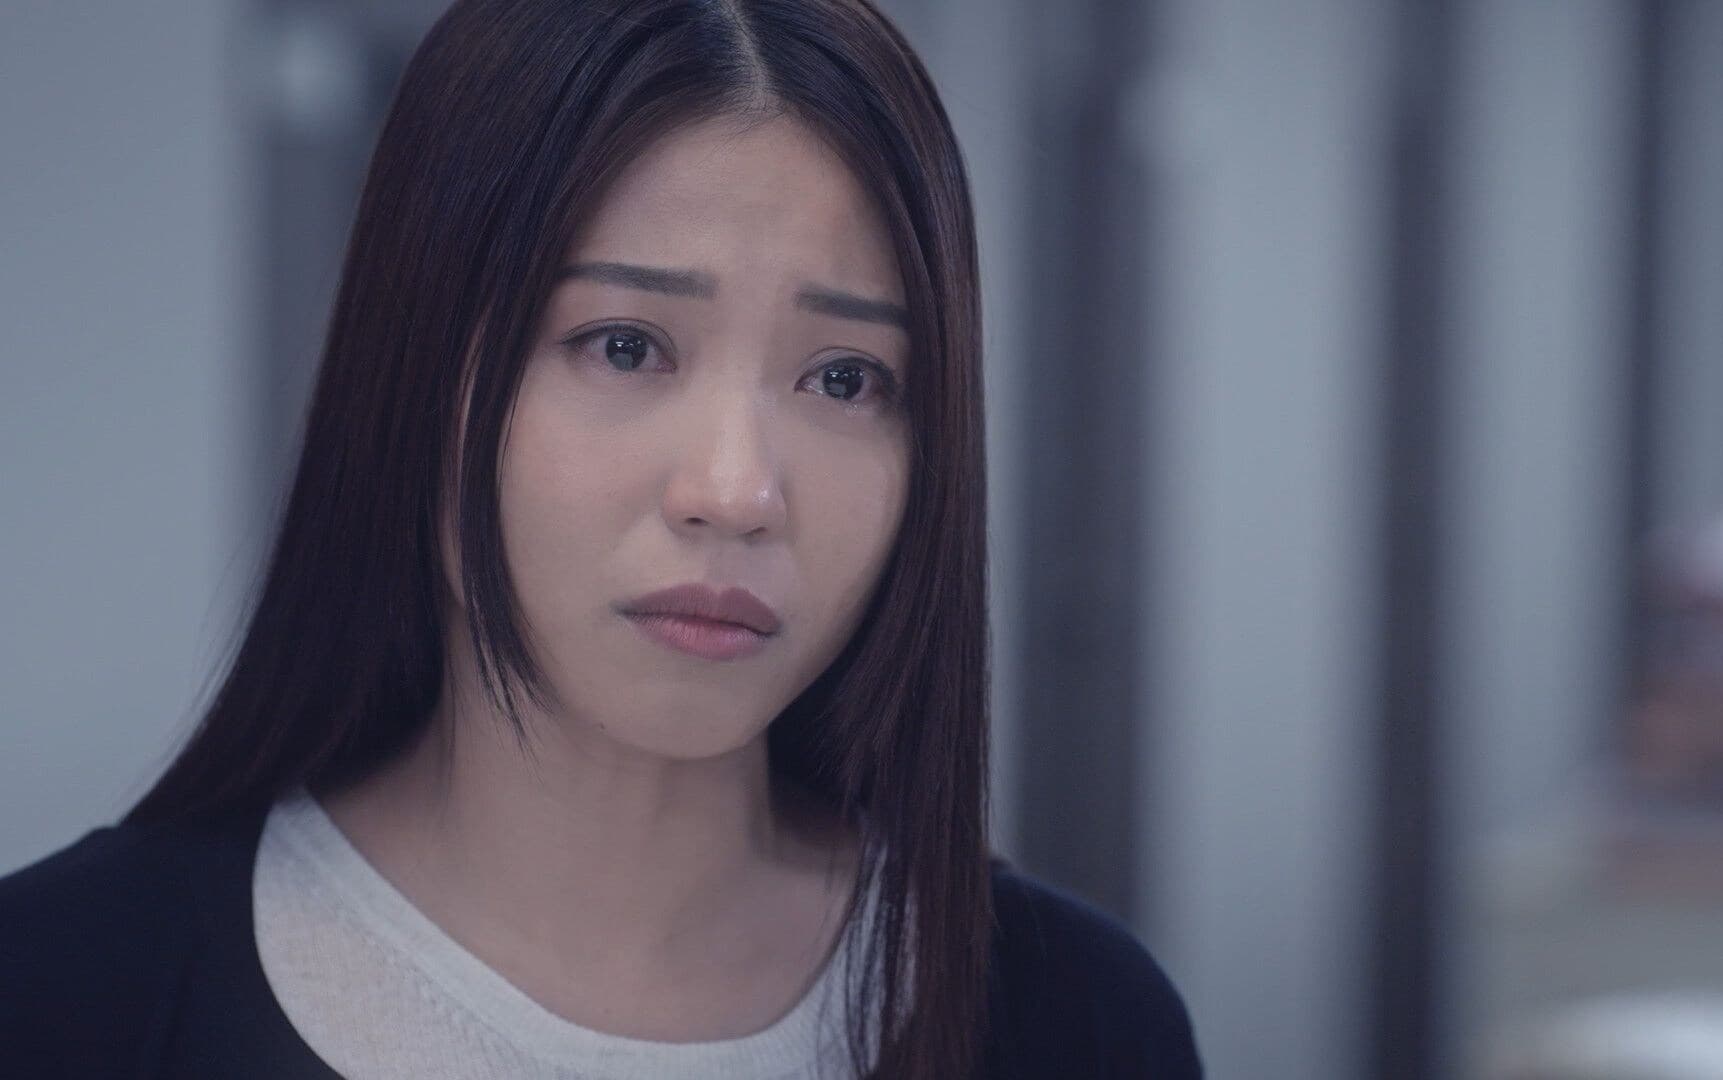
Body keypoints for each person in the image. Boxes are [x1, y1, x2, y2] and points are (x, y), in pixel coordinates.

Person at [0, 1, 1202, 1077]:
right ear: (416, 373)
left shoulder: (1072, 1019)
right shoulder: (68, 993)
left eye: (844, 378)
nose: (736, 490)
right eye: (624, 346)